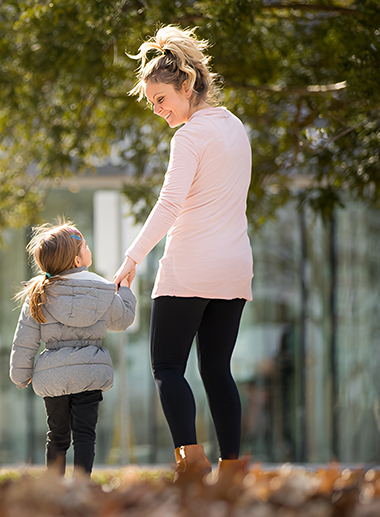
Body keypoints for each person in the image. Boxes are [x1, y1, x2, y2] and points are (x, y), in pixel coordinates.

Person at [113, 25, 253, 483]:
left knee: (168, 367)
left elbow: (170, 203)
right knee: (217, 370)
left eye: (161, 99)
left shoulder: (189, 137)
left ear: (187, 86)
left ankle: (192, 464)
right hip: (234, 271)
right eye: (152, 102)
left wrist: (132, 256)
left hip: (190, 267)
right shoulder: (234, 127)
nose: (158, 110)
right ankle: (231, 469)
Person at [10, 222, 136, 476]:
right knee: (85, 435)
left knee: (56, 434)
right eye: (85, 246)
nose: (89, 248)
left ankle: (54, 487)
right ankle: (81, 486)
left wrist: (20, 375)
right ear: (78, 260)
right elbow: (122, 320)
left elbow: (25, 339)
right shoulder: (102, 289)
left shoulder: (39, 293)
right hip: (89, 373)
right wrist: (126, 291)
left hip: (53, 377)